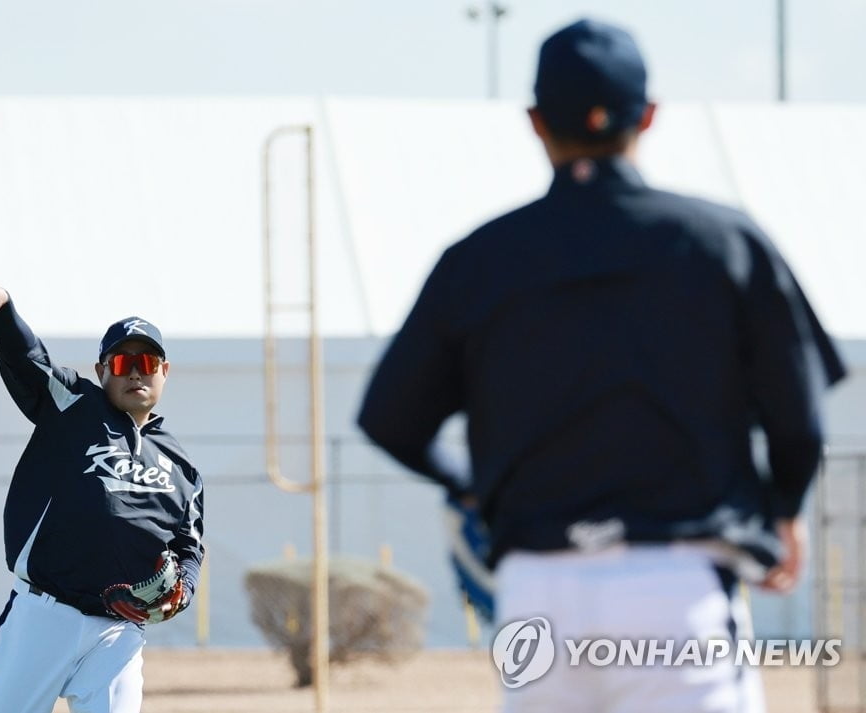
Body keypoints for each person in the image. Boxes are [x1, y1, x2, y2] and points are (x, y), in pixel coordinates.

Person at [356, 18, 846, 713]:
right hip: (678, 586)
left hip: (536, 588)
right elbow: (798, 424)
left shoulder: (481, 257)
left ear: (534, 121)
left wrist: (472, 484)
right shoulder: (723, 241)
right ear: (648, 116)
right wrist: (786, 508)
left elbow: (391, 418)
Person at [0, 268, 204, 713]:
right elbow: (29, 360)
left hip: (119, 630)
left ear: (164, 371)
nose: (135, 373)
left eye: (146, 363)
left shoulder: (181, 466)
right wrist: (3, 307)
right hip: (43, 616)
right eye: (122, 362)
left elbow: (189, 546)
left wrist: (183, 588)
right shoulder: (74, 407)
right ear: (101, 370)